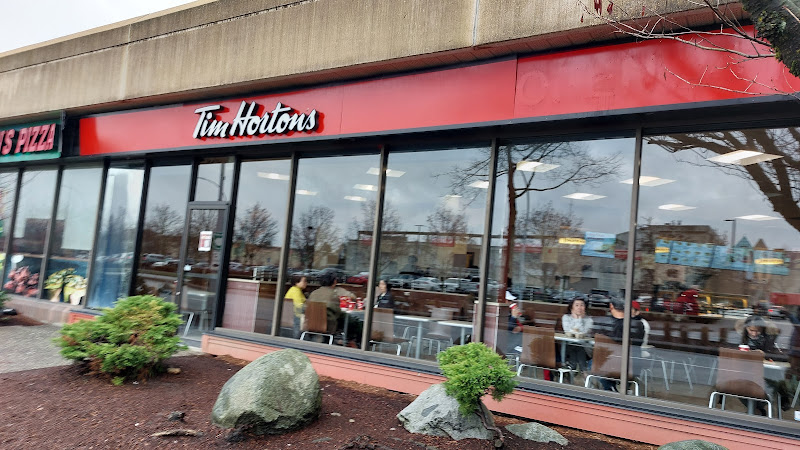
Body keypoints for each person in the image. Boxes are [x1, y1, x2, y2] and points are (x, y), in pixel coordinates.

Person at [596, 297, 645, 391]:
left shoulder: (603, 323)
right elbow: (638, 345)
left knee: (593, 363)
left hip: (607, 366)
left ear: (611, 306)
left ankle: (610, 389)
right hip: (631, 366)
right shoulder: (637, 324)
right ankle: (620, 390)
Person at [306, 272, 342, 339]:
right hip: (327, 325)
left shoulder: (314, 293)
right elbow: (338, 312)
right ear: (334, 282)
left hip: (310, 324)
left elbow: (307, 307)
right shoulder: (333, 295)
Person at [561, 296, 594, 370]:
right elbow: (567, 331)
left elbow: (582, 334)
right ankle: (584, 371)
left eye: (582, 305)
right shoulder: (566, 317)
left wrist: (579, 319)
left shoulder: (589, 320)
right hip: (568, 346)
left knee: (578, 346)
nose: (579, 307)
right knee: (574, 346)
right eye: (577, 305)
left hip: (585, 348)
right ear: (571, 307)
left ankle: (572, 369)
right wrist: (577, 319)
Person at [284, 274, 308, 338]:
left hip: (291, 316)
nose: (306, 283)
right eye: (304, 281)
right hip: (296, 316)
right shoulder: (296, 291)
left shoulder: (295, 290)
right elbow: (299, 306)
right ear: (297, 282)